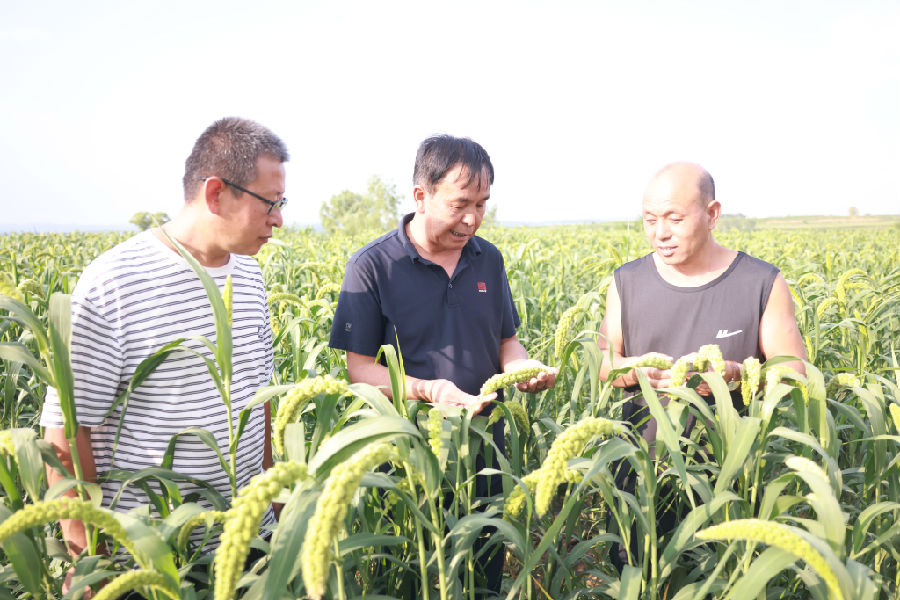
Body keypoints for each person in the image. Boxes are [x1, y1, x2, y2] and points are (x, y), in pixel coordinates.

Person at [40, 117, 288, 594]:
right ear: (216, 193)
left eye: (282, 203)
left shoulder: (251, 277)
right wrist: (90, 561)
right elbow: (69, 432)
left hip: (248, 553)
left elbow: (260, 402)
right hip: (152, 559)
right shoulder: (114, 281)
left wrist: (275, 512)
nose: (279, 218)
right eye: (270, 203)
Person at [329, 134, 557, 594]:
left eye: (482, 203)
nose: (472, 218)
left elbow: (506, 341)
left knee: (484, 571)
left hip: (485, 453)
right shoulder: (373, 267)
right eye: (459, 204)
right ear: (421, 195)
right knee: (417, 573)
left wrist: (524, 368)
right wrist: (428, 390)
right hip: (408, 460)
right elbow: (360, 371)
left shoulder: (487, 259)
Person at [597, 160, 807, 567]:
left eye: (675, 218)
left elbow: (794, 372)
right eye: (650, 219)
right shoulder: (627, 282)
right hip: (642, 480)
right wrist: (633, 369)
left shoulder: (761, 283)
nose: (661, 233)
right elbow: (606, 364)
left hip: (729, 485)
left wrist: (740, 375)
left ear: (712, 214)